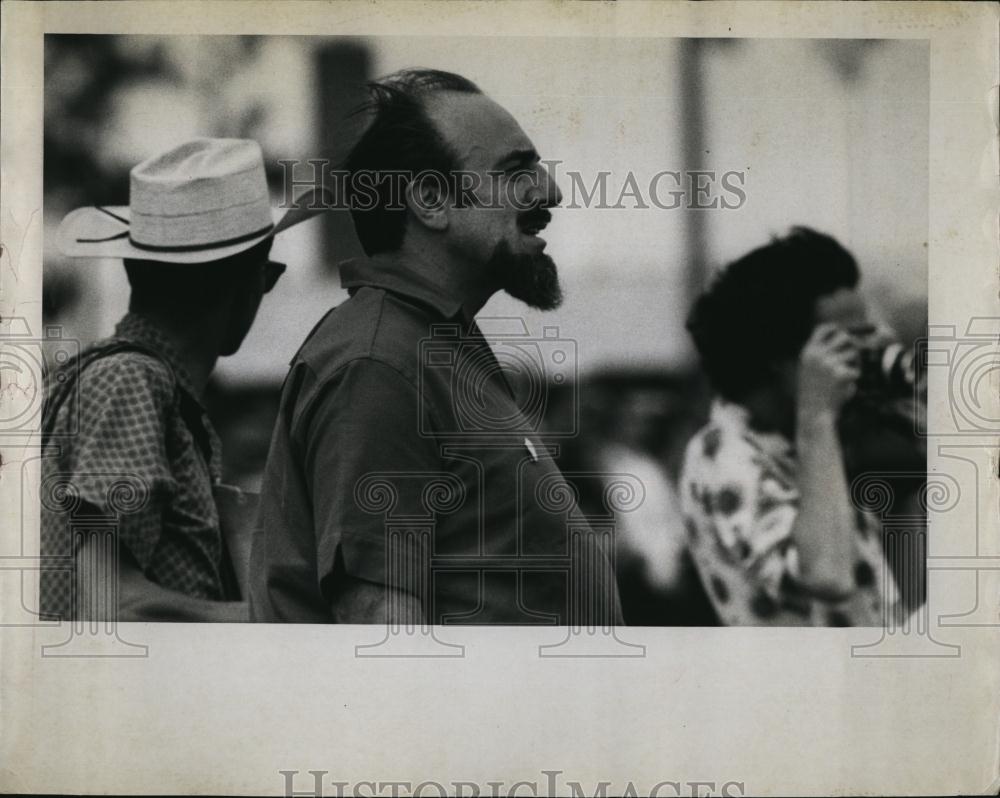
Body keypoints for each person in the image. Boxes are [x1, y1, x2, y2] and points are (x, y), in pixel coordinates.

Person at [250, 68, 624, 626]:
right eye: (516, 171)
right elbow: (383, 645)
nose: (550, 191)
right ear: (430, 199)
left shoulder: (424, 350)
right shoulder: (380, 365)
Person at [41, 138, 320, 622]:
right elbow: (111, 605)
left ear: (132, 267)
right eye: (268, 278)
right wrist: (277, 625)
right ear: (249, 283)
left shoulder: (135, 383)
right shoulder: (130, 382)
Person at [680, 227, 903, 626]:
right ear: (780, 357)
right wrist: (817, 413)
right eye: (850, 341)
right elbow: (828, 576)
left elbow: (885, 609)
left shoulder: (805, 446)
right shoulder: (723, 453)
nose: (879, 345)